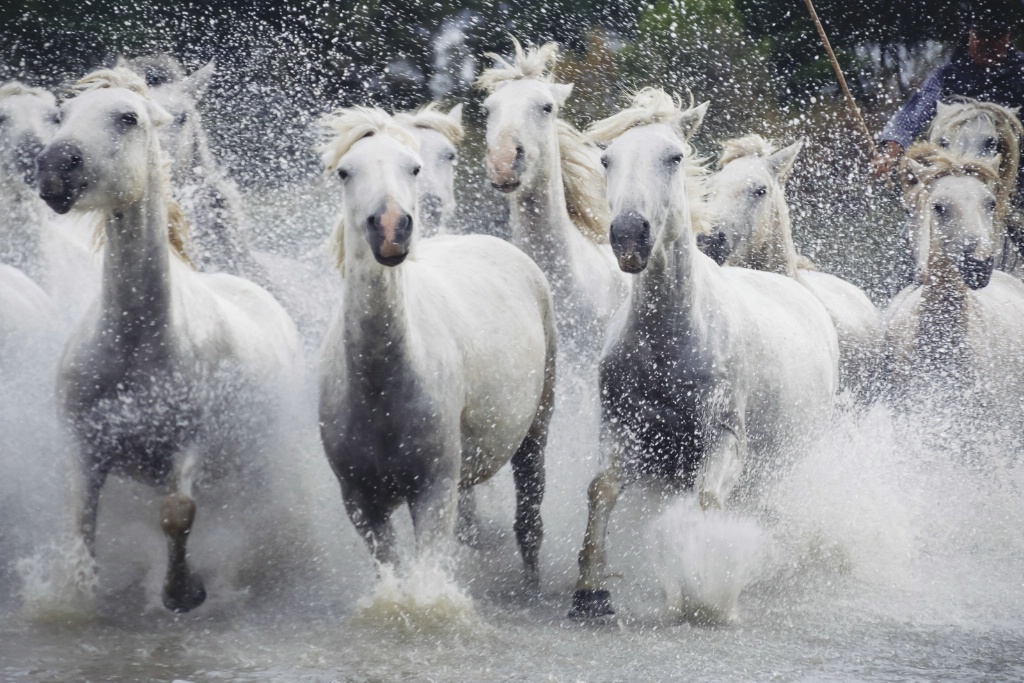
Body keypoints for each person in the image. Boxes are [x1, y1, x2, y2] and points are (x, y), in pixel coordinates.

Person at [872, 11, 1024, 182]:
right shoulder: (949, 75)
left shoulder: (1021, 74)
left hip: (1012, 171)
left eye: (996, 37)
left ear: (1007, 39)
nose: (987, 43)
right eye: (981, 36)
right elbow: (912, 116)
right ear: (970, 37)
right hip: (953, 166)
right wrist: (890, 154)